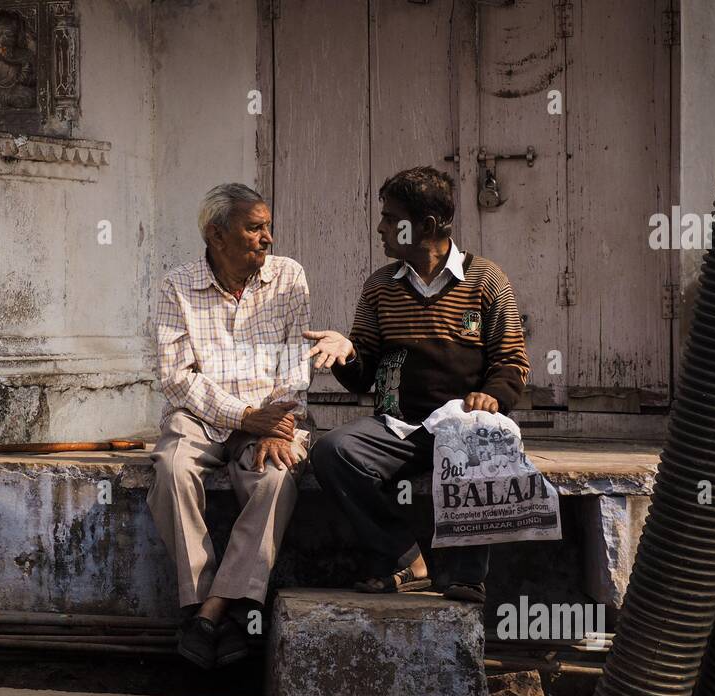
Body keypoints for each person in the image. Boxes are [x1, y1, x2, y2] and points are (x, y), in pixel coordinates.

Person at [305, 166, 530, 604]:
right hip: (398, 428)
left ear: (426, 225)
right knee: (332, 452)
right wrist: (347, 352)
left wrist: (492, 396)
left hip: (460, 425)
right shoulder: (380, 287)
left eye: (391, 218)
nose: (381, 227)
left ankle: (468, 576)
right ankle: (406, 558)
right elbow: (362, 375)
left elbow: (513, 362)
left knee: (484, 437)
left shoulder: (486, 280)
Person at [149, 183, 312, 668]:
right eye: (254, 228)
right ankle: (211, 604)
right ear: (217, 235)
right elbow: (177, 378)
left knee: (277, 478)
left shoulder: (288, 277)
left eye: (267, 226)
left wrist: (272, 421)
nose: (267, 238)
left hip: (271, 416)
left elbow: (296, 368)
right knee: (171, 469)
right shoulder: (176, 285)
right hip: (202, 416)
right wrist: (240, 415)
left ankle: (208, 614)